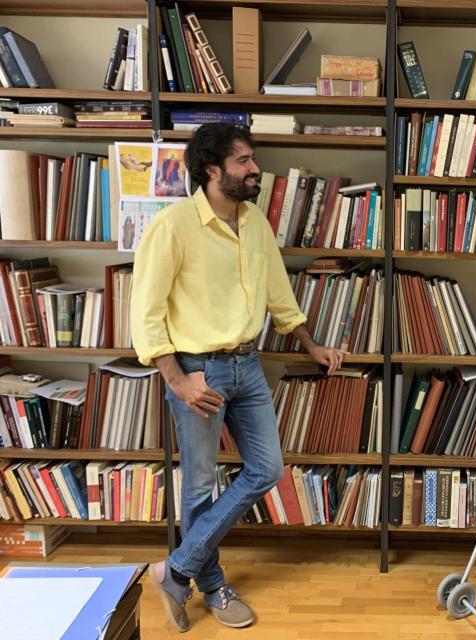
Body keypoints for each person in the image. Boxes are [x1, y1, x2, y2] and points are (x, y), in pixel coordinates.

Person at [131, 123, 344, 632]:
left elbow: (279, 295)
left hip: (248, 364)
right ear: (212, 169)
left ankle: (176, 569)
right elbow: (146, 312)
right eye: (244, 161)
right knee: (200, 484)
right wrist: (178, 380)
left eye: (252, 160)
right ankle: (212, 585)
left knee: (267, 469)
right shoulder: (174, 226)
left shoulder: (254, 223)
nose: (254, 170)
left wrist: (313, 345)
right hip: (195, 369)